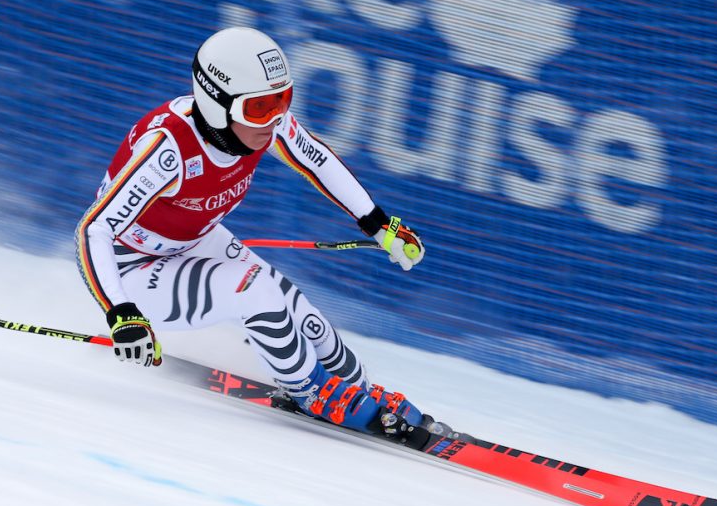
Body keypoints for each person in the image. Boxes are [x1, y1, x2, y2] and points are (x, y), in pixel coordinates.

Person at [76, 27, 449, 448]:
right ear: (217, 104)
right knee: (253, 290)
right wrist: (120, 312)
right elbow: (95, 229)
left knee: (295, 305)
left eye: (282, 100)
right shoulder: (167, 150)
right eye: (259, 108)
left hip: (194, 242)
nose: (274, 119)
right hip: (133, 268)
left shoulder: (258, 128)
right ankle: (311, 390)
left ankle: (356, 386)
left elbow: (317, 160)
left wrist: (377, 223)